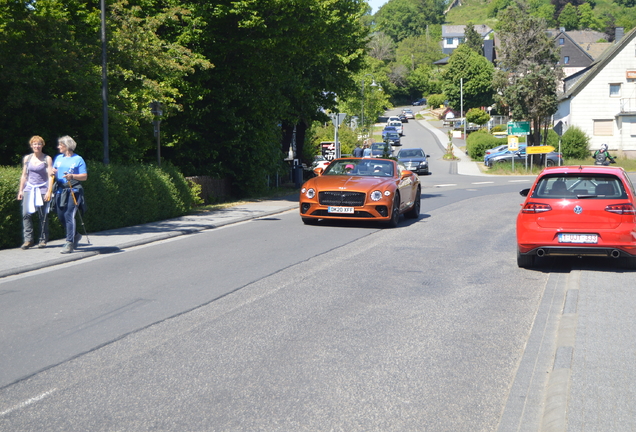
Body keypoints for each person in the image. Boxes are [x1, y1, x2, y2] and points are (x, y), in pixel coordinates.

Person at [17, 136, 54, 249]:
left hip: (42, 189)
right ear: (31, 145)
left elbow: (50, 176)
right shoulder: (27, 159)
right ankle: (28, 240)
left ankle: (43, 240)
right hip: (30, 188)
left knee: (43, 215)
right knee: (26, 214)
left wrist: (49, 191)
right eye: (34, 144)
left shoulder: (47, 159)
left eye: (39, 144)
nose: (37, 146)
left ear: (42, 145)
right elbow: (24, 175)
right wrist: (21, 190)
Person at [52, 136, 88, 254]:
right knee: (61, 216)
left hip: (73, 190)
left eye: (60, 145)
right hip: (59, 190)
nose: (58, 147)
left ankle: (69, 242)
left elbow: (84, 176)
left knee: (69, 215)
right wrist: (51, 172)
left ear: (66, 146)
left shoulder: (78, 159)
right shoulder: (58, 158)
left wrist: (72, 176)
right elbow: (54, 172)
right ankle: (76, 235)